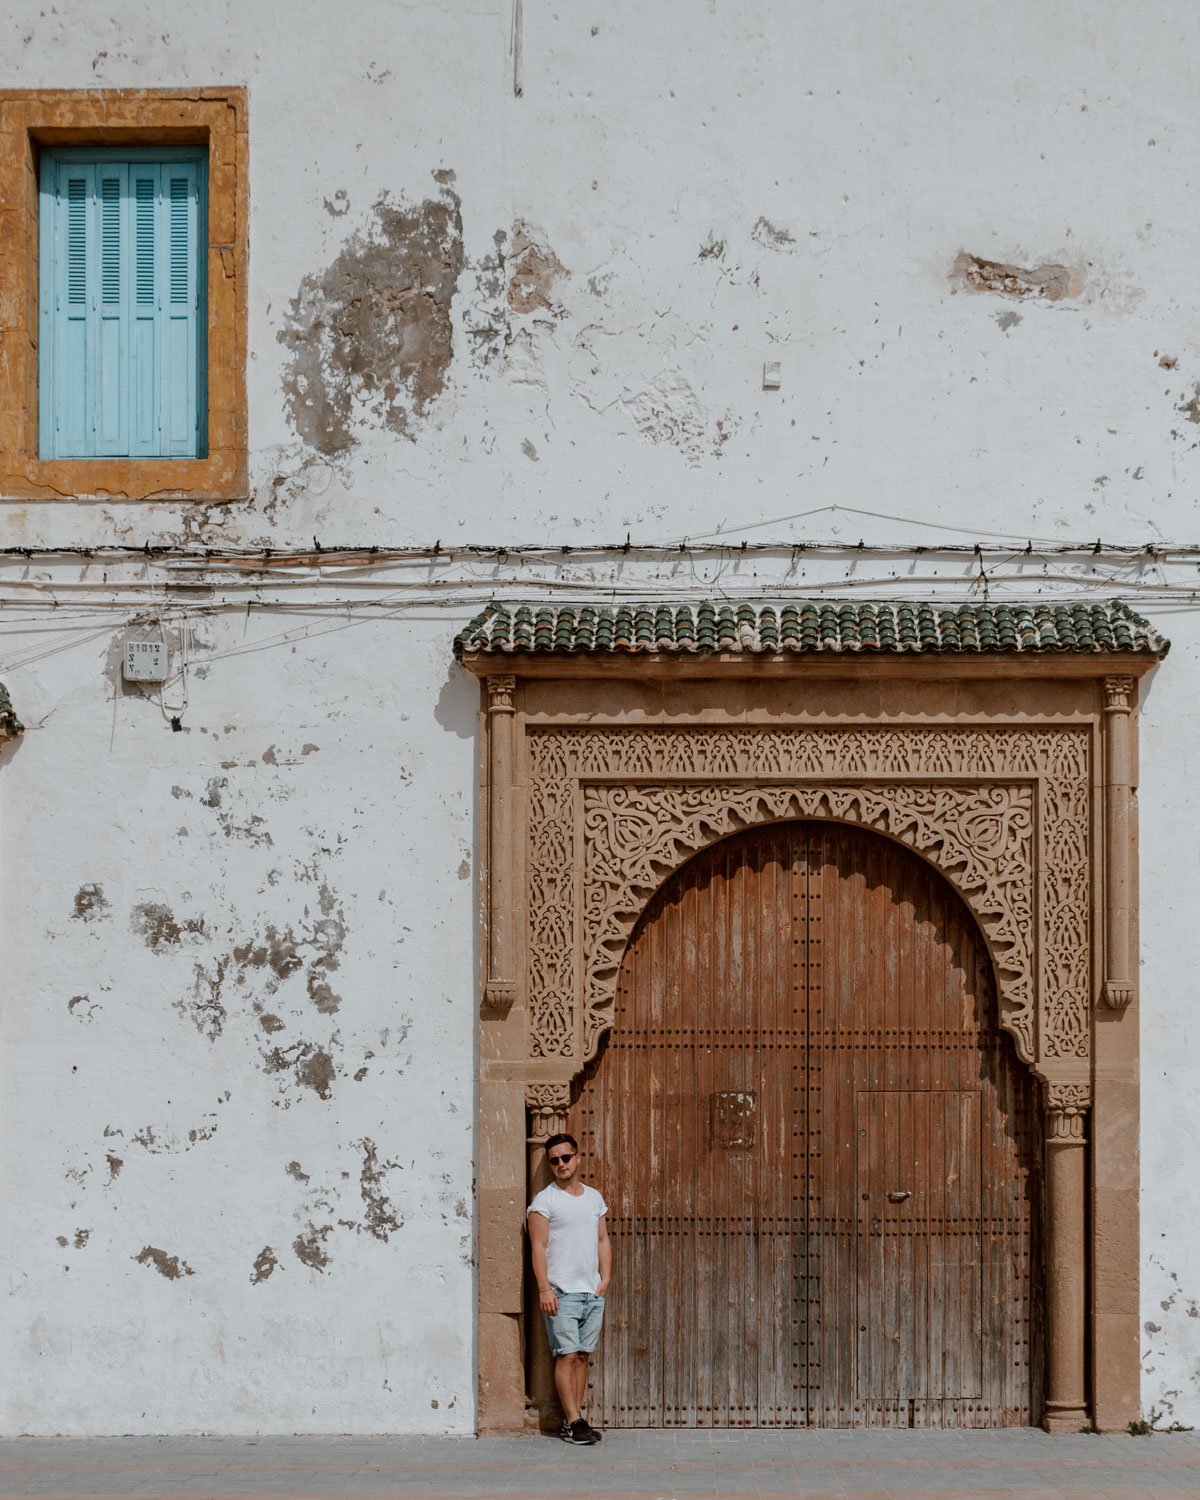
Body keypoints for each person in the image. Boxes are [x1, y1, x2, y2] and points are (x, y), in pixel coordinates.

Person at [527, 1132, 611, 1445]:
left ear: (578, 1158)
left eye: (566, 1157)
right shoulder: (544, 1201)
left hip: (591, 1292)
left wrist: (605, 1278)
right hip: (561, 1293)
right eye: (554, 1160)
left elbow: (603, 1239)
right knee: (566, 1355)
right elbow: (538, 1246)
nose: (561, 1164)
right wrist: (544, 1289)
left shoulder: (594, 1198)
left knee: (582, 1356)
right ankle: (575, 1422)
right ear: (549, 1165)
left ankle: (572, 1421)